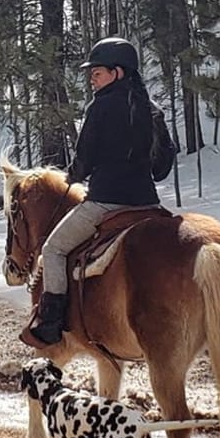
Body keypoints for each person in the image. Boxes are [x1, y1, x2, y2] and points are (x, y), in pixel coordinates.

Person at [27, 36, 161, 346]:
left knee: (54, 249)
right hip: (148, 204)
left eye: (97, 73)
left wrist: (74, 175)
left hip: (106, 203)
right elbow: (163, 164)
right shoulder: (152, 110)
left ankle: (50, 323)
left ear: (118, 73)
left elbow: (85, 156)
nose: (91, 79)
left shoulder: (100, 106)